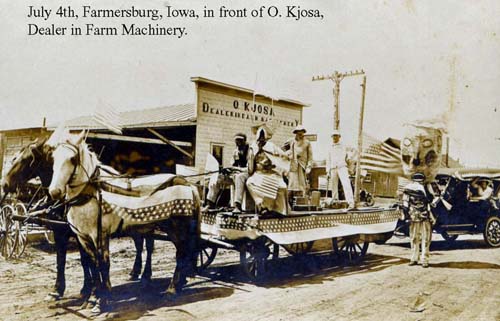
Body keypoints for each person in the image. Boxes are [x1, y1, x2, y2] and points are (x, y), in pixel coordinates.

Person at [246, 124, 289, 215]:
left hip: (272, 173)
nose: (261, 140)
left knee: (282, 186)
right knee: (250, 182)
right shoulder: (253, 147)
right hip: (259, 173)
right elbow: (250, 166)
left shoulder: (272, 146)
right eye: (260, 138)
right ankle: (262, 206)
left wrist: (276, 164)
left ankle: (279, 210)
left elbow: (283, 157)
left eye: (263, 138)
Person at [204, 133, 250, 210]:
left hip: (247, 174)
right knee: (217, 177)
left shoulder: (250, 151)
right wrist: (228, 170)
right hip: (236, 174)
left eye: (240, 140)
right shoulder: (235, 151)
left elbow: (249, 168)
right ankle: (210, 203)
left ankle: (237, 206)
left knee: (239, 177)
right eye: (236, 140)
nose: (238, 143)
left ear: (245, 141)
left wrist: (236, 169)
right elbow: (232, 165)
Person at [402, 172, 433, 268]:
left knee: (423, 237)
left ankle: (423, 259)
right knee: (417, 237)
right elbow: (405, 203)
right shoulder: (408, 189)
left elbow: (431, 200)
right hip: (415, 215)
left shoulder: (426, 188)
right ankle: (415, 258)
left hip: (422, 215)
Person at [326, 130, 354, 208]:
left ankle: (351, 202)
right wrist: (327, 171)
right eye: (333, 136)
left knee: (346, 184)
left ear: (339, 137)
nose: (335, 137)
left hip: (342, 167)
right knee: (334, 186)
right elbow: (328, 159)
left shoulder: (343, 145)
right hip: (333, 168)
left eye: (336, 136)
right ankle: (335, 202)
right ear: (332, 137)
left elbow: (352, 150)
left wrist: (349, 157)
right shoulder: (329, 147)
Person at [287, 125, 313, 204]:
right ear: (296, 133)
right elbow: (285, 151)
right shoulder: (291, 141)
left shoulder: (307, 143)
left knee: (302, 184)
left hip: (302, 165)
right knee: (292, 183)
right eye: (298, 133)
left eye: (301, 133)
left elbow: (310, 156)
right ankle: (289, 202)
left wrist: (309, 166)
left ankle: (303, 201)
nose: (300, 135)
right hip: (293, 164)